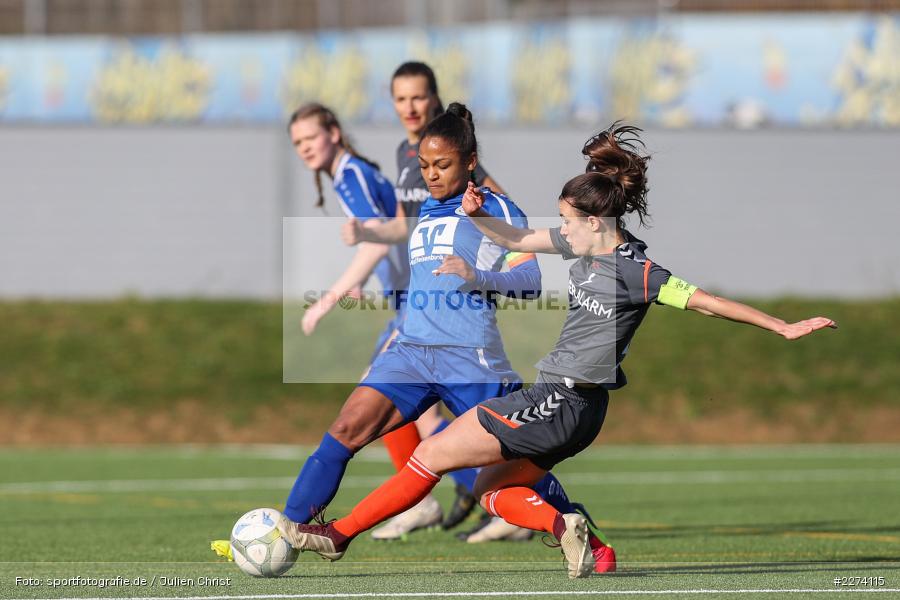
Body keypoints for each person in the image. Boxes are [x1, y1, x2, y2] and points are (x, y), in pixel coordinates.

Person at [276, 124, 837, 578]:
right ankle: (572, 532)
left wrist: (781, 326)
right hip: (583, 412)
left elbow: (709, 302)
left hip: (556, 400)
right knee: (495, 490)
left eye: (567, 219)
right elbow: (517, 241)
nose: (559, 230)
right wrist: (477, 217)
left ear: (595, 222)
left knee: (431, 457)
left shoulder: (639, 273)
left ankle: (338, 534)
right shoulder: (584, 242)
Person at [280, 103, 616, 572]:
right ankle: (288, 531)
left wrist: (477, 275)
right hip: (411, 354)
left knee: (516, 471)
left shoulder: (497, 209)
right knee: (345, 429)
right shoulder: (426, 208)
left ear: (471, 161)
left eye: (443, 165)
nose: (432, 175)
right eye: (424, 166)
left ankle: (585, 538)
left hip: (472, 361)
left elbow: (530, 282)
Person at [341, 62, 516, 541]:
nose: (410, 107)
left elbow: (500, 210)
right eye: (400, 99)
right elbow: (406, 225)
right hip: (416, 302)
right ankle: (483, 500)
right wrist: (368, 232)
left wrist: (485, 265)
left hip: (450, 302)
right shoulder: (407, 153)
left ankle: (478, 500)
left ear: (434, 100)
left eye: (418, 97)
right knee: (427, 413)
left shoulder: (451, 151)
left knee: (448, 415)